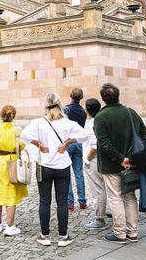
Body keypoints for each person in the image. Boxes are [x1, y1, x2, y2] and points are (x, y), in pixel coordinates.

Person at [21, 93, 88, 247]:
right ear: (60, 104)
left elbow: (23, 135)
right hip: (62, 165)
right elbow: (84, 136)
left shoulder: (38, 122)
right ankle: (63, 236)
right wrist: (68, 142)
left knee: (44, 201)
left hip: (44, 165)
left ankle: (44, 235)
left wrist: (38, 144)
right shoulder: (67, 123)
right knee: (62, 202)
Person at [94, 83, 146, 244]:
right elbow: (144, 135)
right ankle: (133, 232)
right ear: (118, 96)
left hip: (111, 165)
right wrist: (130, 158)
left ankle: (119, 233)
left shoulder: (100, 117)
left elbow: (104, 144)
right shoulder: (130, 112)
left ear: (103, 99)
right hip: (132, 163)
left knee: (115, 198)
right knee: (130, 197)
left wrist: (120, 159)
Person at [0, 105, 28, 236]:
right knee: (11, 195)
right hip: (12, 163)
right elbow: (22, 145)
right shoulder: (18, 130)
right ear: (13, 116)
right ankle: (10, 226)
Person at [82, 98, 110, 230]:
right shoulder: (99, 120)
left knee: (97, 190)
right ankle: (104, 212)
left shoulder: (91, 123)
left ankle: (100, 218)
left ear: (87, 109)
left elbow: (95, 144)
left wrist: (87, 158)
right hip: (99, 159)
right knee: (102, 188)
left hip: (93, 160)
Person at [64, 87, 87, 211]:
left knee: (66, 174)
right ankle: (82, 201)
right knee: (79, 173)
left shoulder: (65, 109)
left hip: (68, 143)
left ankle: (69, 203)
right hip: (79, 143)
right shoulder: (83, 111)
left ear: (70, 95)